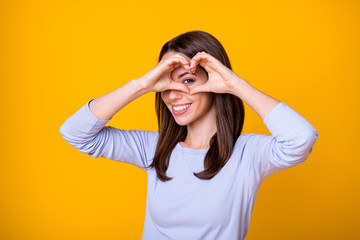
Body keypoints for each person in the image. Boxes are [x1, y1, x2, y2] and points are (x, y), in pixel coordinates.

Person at [59, 30, 319, 240]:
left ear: (214, 81)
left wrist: (234, 85)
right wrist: (142, 84)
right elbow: (75, 133)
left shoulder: (247, 154)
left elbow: (301, 138)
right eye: (166, 82)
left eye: (187, 80)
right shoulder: (154, 148)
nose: (172, 94)